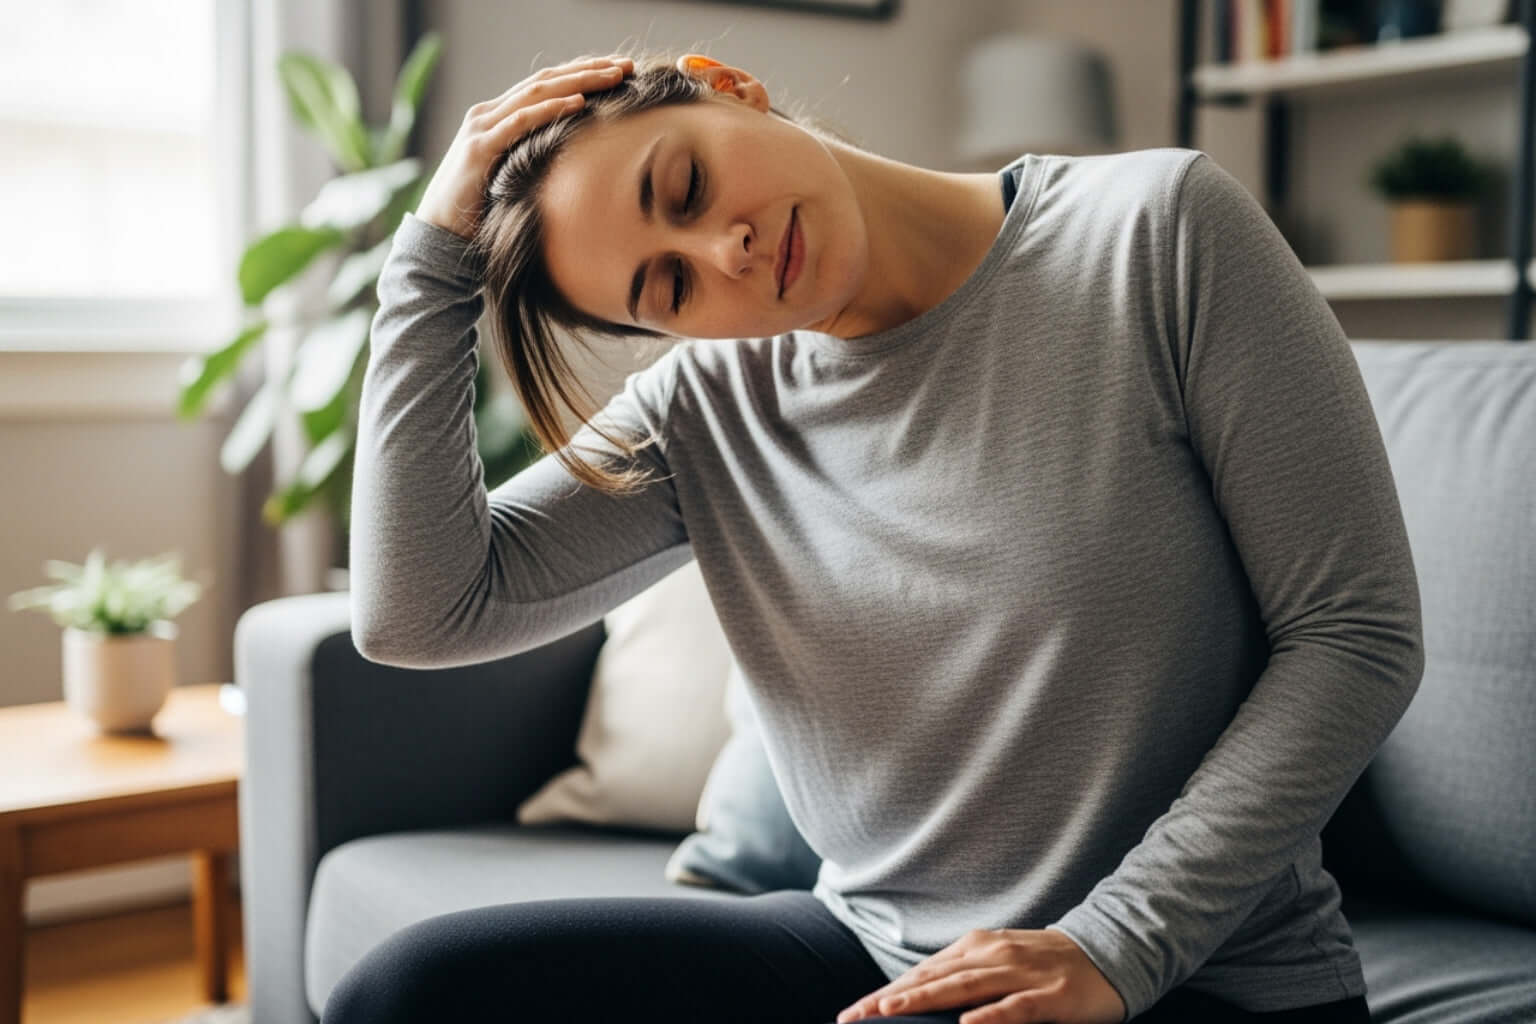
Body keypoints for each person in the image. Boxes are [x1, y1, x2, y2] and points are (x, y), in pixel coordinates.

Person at [327, 46, 1421, 1024]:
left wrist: (1117, 944)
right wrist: (432, 259)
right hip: (872, 959)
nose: (729, 250)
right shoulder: (704, 408)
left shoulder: (1154, 230)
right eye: (670, 288)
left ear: (730, 89)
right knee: (410, 992)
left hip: (1190, 977)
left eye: (688, 186)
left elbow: (1355, 633)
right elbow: (419, 610)